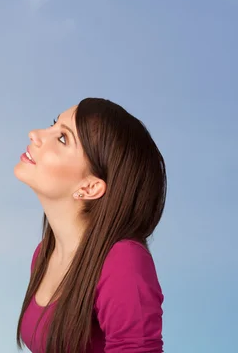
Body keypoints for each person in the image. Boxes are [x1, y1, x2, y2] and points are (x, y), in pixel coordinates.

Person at [14, 98, 166, 353]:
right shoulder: (44, 254)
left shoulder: (122, 261)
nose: (36, 135)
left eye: (63, 138)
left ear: (90, 187)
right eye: (54, 125)